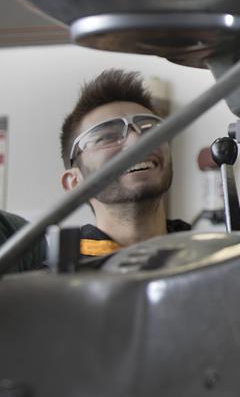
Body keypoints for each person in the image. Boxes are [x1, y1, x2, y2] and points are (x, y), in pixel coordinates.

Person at [59, 69, 190, 257]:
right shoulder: (53, 283)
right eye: (108, 136)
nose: (137, 141)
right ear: (74, 182)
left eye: (149, 129)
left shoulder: (213, 261)